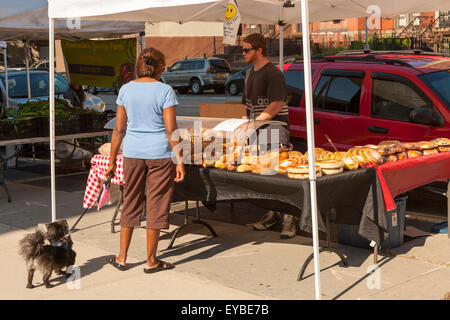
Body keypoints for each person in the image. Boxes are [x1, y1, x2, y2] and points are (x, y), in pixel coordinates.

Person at [105, 47, 185, 273]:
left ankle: (122, 257)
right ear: (160, 68)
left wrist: (112, 159)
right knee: (157, 204)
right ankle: (151, 261)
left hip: (132, 152)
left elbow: (119, 129)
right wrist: (179, 160)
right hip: (160, 154)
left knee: (130, 201)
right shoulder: (165, 90)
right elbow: (171, 129)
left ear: (138, 67)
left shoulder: (126, 90)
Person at [240, 33, 298, 239]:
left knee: (280, 177)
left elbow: (276, 105)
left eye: (246, 50)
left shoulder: (274, 74)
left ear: (259, 50)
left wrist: (254, 123)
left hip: (275, 131)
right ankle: (273, 215)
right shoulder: (249, 74)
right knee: (265, 179)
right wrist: (244, 126)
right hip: (256, 133)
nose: (243, 53)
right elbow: (248, 107)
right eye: (243, 49)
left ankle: (291, 219)